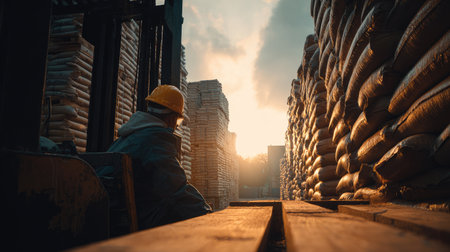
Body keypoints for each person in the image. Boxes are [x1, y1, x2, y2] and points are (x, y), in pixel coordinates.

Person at [106, 84, 212, 230]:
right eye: (178, 122)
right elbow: (176, 190)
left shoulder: (125, 138)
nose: (176, 126)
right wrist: (207, 214)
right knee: (174, 209)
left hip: (109, 213)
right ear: (171, 118)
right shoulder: (156, 139)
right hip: (140, 219)